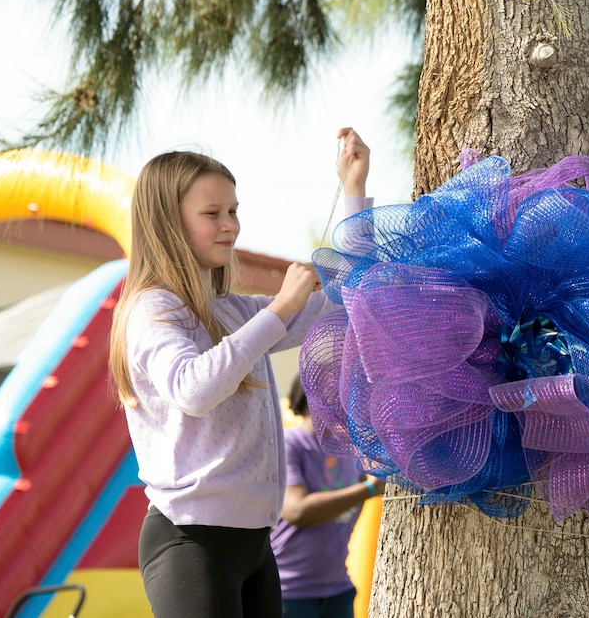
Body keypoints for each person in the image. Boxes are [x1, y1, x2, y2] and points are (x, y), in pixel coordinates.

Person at [108, 128, 372, 618]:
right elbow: (193, 389)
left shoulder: (232, 309)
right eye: (213, 213)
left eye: (233, 211)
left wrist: (354, 190)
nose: (230, 224)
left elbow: (345, 303)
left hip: (255, 542)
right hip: (191, 541)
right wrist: (278, 312)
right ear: (168, 223)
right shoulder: (151, 309)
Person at [270, 377, 385, 618]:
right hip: (289, 595)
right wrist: (370, 490)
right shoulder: (289, 444)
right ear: (306, 400)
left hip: (338, 591)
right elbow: (296, 511)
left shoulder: (350, 451)